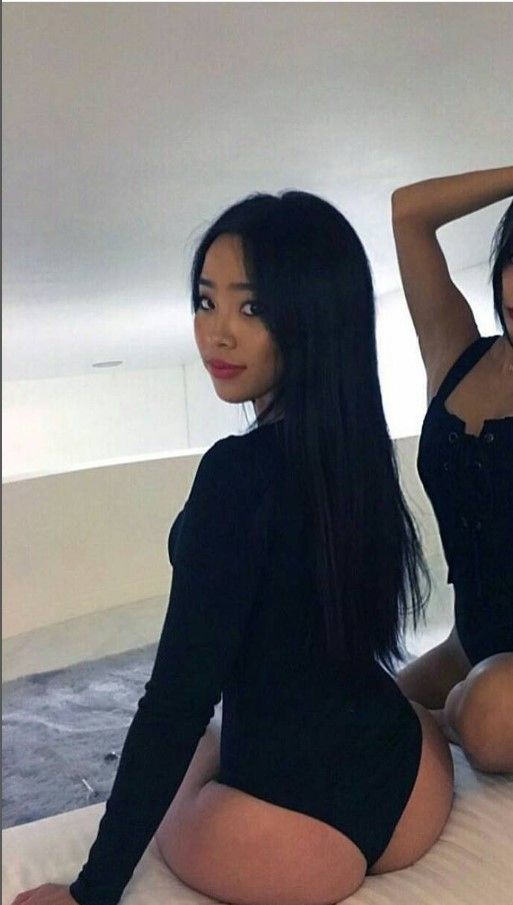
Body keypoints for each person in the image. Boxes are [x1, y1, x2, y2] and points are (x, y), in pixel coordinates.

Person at [13, 192, 453, 905]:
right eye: (205, 300)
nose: (217, 332)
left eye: (251, 308)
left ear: (312, 316)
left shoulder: (236, 474)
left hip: (299, 836)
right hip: (410, 782)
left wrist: (90, 891)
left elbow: (175, 700)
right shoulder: (355, 448)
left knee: (191, 746)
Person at [392, 167, 513, 773]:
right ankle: (447, 716)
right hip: (467, 648)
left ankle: (446, 722)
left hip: (500, 693)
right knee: (341, 716)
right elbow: (409, 212)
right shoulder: (458, 356)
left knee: (494, 715)